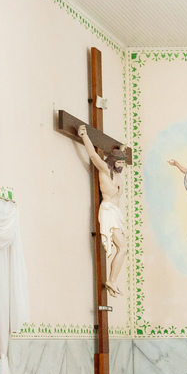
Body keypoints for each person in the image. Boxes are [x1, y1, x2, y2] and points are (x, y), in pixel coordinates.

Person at [77, 125, 128, 296]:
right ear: (113, 162)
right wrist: (85, 136)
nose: (122, 165)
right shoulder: (106, 170)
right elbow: (92, 155)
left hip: (116, 213)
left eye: (123, 162)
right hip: (107, 211)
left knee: (122, 248)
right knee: (122, 248)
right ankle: (112, 280)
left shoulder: (118, 175)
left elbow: (121, 155)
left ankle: (112, 281)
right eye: (119, 162)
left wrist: (121, 149)